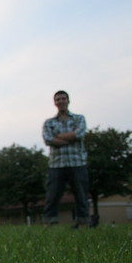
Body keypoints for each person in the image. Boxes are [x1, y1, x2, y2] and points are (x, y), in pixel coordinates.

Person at [42, 90, 90, 228]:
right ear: (55, 103)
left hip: (78, 162)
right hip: (56, 164)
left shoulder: (79, 118)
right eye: (58, 99)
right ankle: (50, 223)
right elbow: (48, 139)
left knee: (81, 194)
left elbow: (79, 134)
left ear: (68, 101)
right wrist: (71, 137)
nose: (61, 101)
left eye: (63, 98)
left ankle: (83, 222)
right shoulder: (49, 122)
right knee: (52, 195)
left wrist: (58, 137)